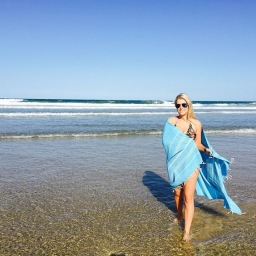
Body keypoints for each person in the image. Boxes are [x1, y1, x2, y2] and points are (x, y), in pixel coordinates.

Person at [162, 93, 211, 241]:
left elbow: (197, 144)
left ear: (188, 106)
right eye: (178, 105)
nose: (180, 108)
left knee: (188, 199)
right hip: (175, 163)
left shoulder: (196, 124)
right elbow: (166, 142)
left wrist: (206, 149)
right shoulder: (171, 122)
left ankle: (186, 232)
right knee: (177, 193)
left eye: (184, 105)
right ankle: (179, 214)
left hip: (191, 162)